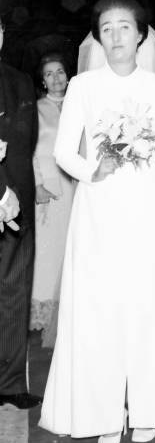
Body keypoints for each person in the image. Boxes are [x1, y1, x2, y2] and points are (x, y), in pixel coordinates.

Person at [39, 0, 155, 443]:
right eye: (106, 29)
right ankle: (104, 413)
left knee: (149, 306)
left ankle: (152, 406)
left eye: (124, 28)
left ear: (140, 35)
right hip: (100, 207)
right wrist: (94, 170)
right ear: (98, 37)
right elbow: (63, 151)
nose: (115, 37)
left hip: (151, 207)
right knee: (101, 310)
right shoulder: (84, 87)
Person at [0, 15, 40, 410]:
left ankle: (10, 385)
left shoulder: (20, 82)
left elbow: (24, 147)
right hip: (2, 198)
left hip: (17, 210)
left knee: (15, 293)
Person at [30, 53, 75, 348]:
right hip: (48, 190)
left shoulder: (78, 105)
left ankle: (70, 312)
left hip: (77, 189)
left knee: (73, 249)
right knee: (48, 254)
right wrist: (36, 184)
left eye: (60, 72)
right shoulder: (35, 110)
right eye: (49, 74)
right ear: (42, 80)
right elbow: (28, 149)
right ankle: (44, 316)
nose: (56, 78)